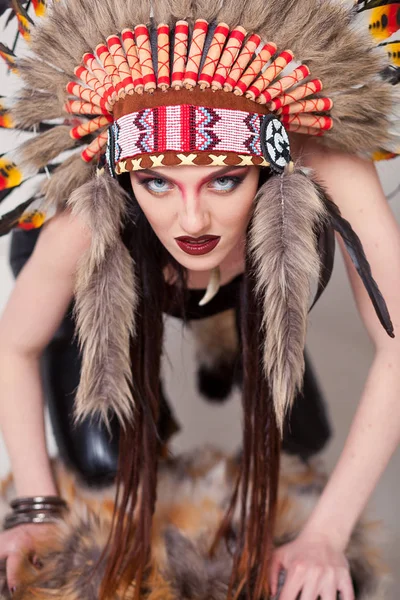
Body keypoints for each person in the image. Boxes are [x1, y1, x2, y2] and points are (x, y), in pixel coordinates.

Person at [0, 0, 399, 599]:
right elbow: (14, 346)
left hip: (249, 284)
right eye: (156, 180)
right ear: (123, 173)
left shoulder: (325, 164)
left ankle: (239, 343)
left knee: (300, 436)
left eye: (224, 178)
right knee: (101, 463)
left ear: (271, 161)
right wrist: (35, 508)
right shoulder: (91, 211)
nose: (191, 218)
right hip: (109, 291)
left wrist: (325, 534)